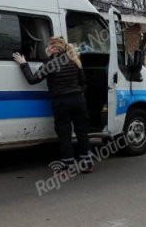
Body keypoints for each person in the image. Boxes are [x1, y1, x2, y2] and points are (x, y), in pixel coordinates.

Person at [13, 37, 93, 173]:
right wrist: (80, 94)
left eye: (48, 47)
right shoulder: (74, 61)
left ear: (54, 49)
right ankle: (87, 163)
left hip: (61, 102)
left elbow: (32, 80)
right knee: (82, 132)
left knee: (64, 134)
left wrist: (23, 63)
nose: (46, 49)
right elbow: (83, 82)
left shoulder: (49, 63)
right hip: (78, 100)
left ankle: (69, 164)